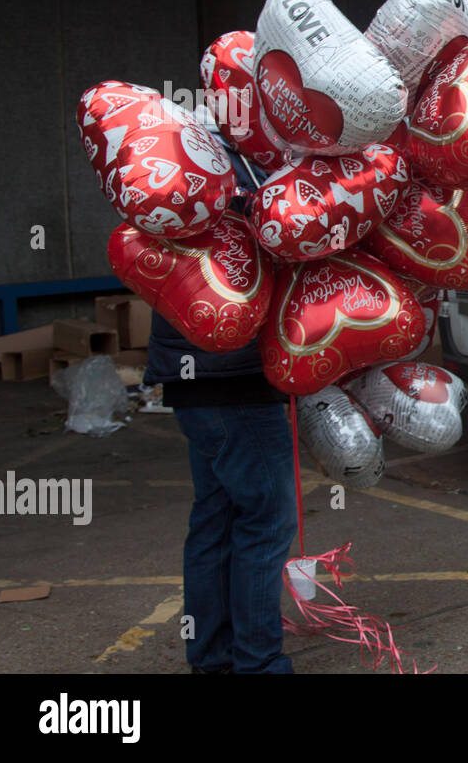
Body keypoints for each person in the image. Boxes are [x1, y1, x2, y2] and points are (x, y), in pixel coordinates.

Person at [144, 120, 296, 674]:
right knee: (265, 518)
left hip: (192, 380)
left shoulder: (171, 164)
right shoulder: (246, 172)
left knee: (215, 517)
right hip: (234, 379)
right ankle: (257, 663)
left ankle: (211, 656)